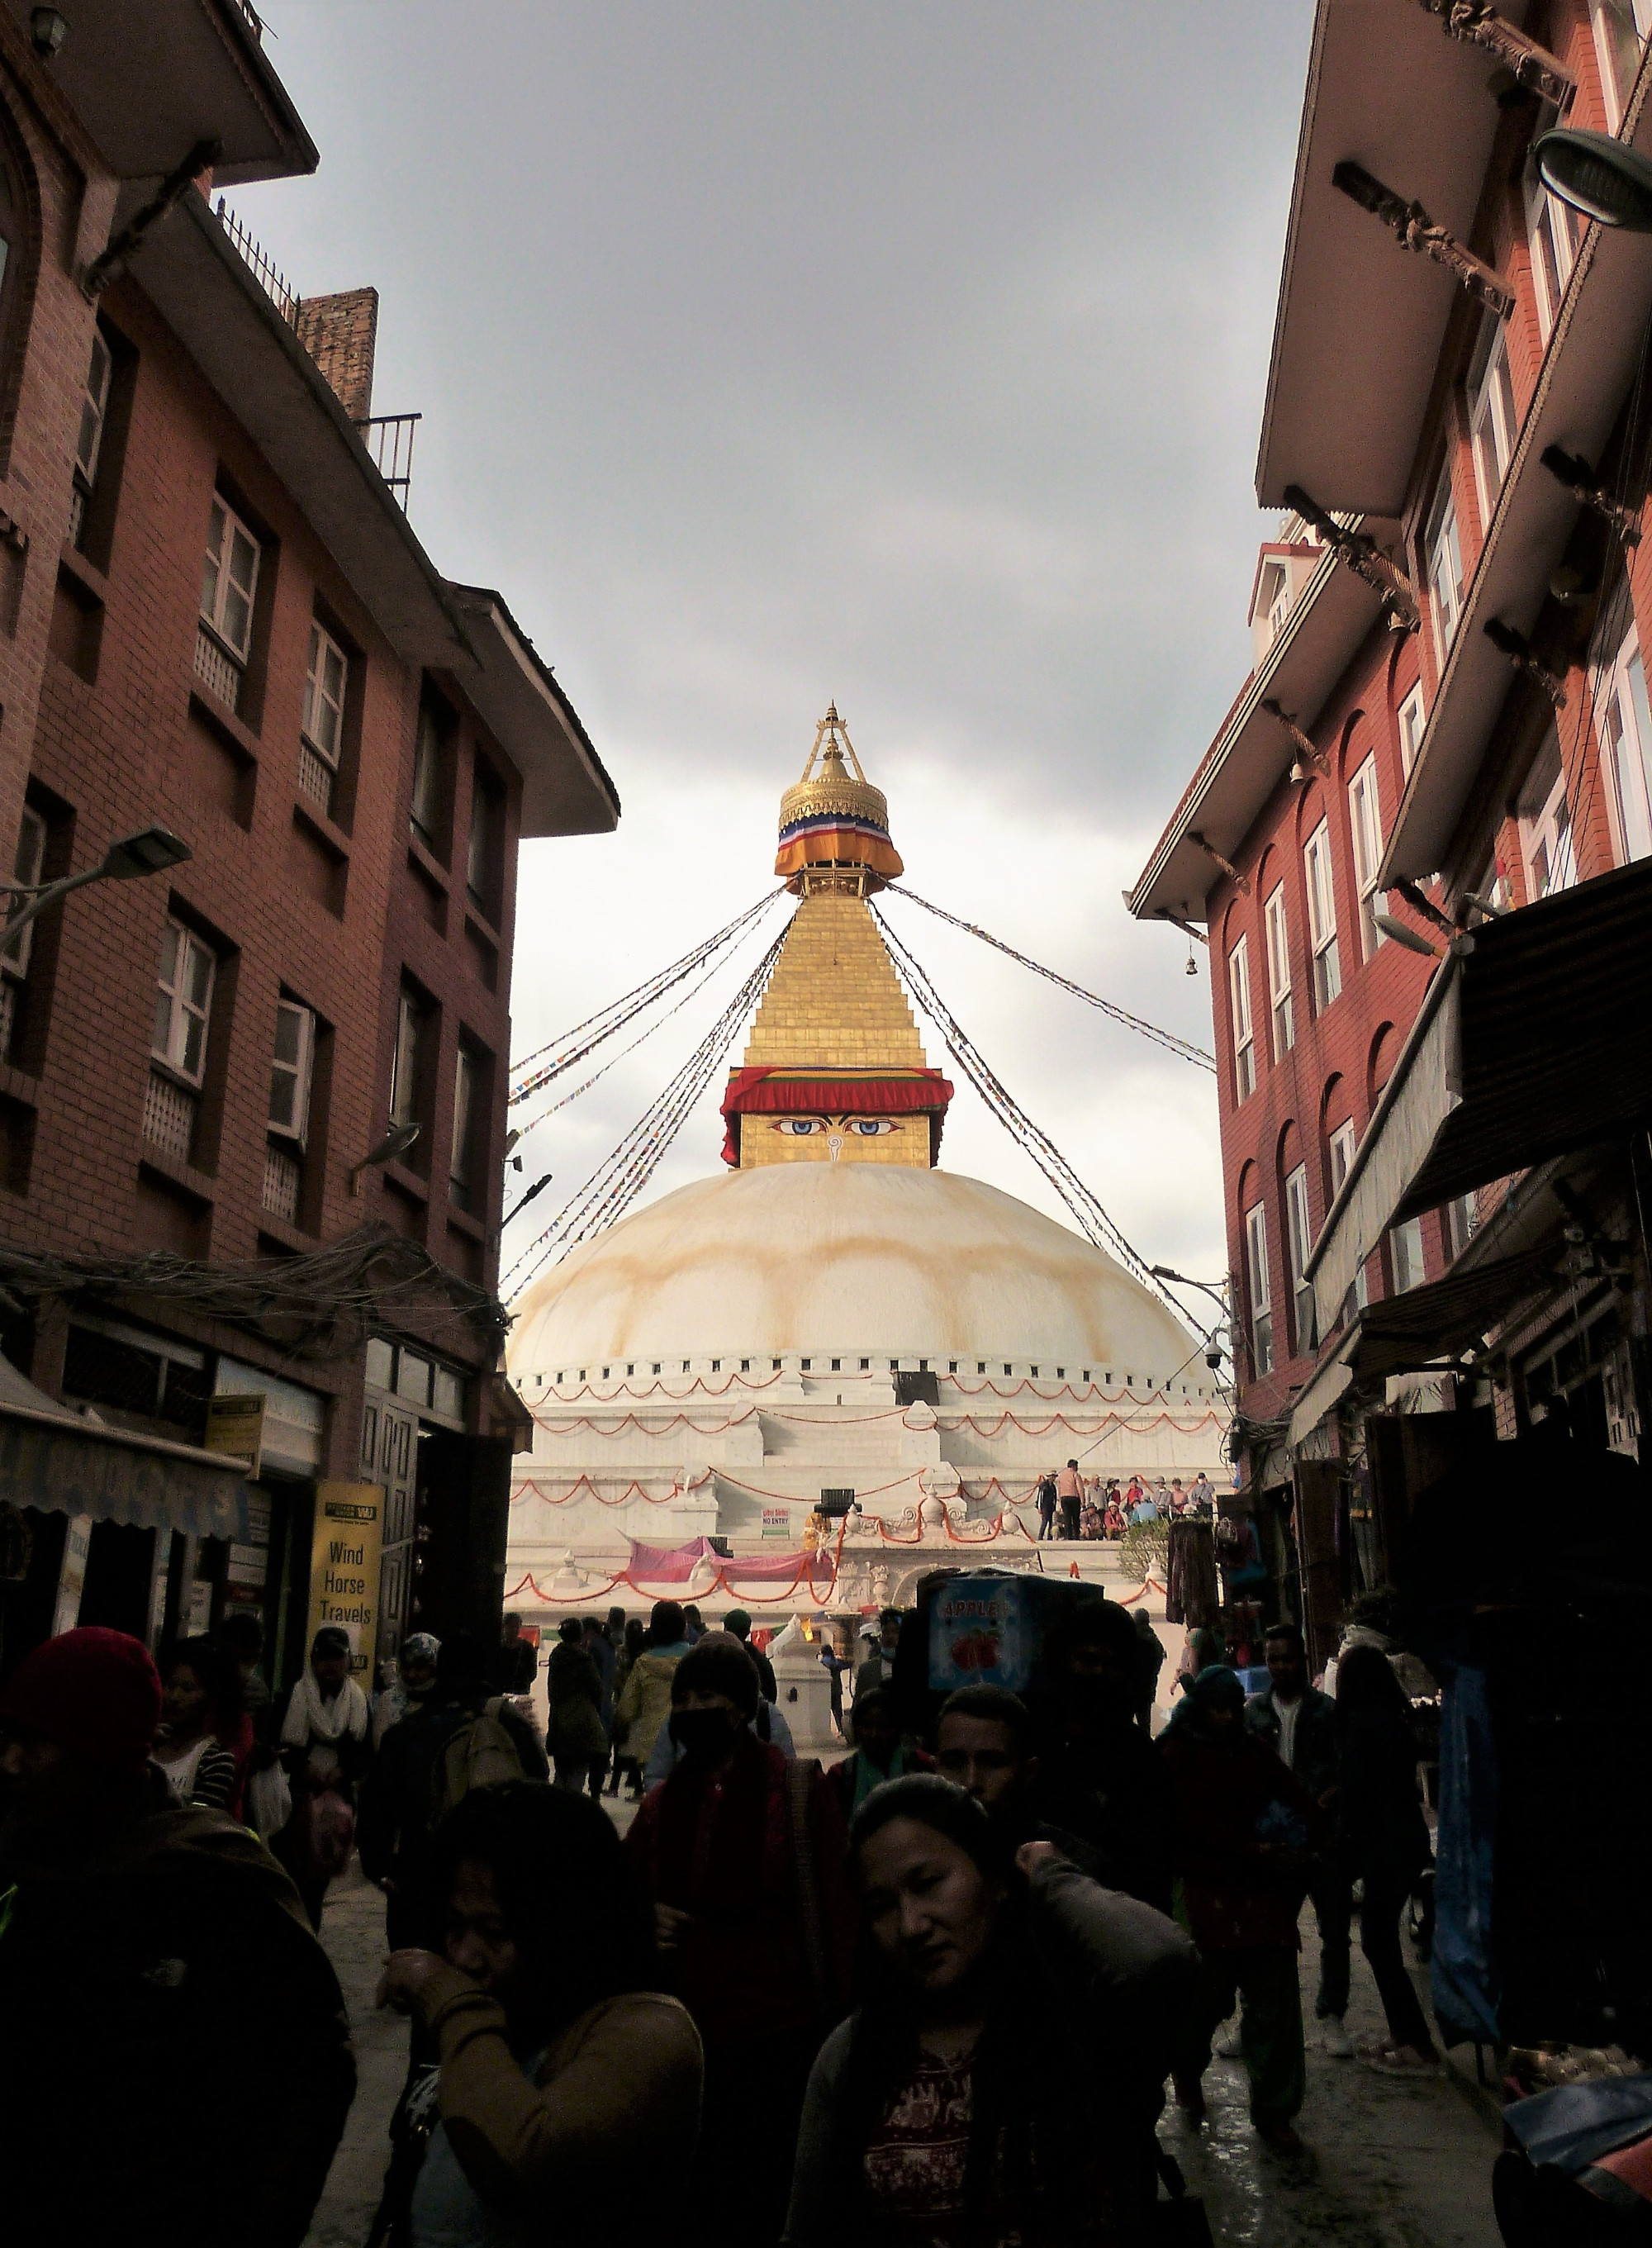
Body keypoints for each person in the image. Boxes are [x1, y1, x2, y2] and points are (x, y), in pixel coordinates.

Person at [0, 1628, 354, 2246]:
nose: (11, 1762)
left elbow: (311, 2073)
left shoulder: (213, 1881)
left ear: (98, 1751)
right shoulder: (26, 1868)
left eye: (36, 1742)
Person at [781, 1776, 1196, 2246]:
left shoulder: (1077, 2020)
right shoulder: (852, 2055)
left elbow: (1160, 1958)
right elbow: (808, 2229)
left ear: (994, 1879)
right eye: (882, 1906)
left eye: (928, 1883)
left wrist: (1051, 1876)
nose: (910, 1925)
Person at [374, 1782, 703, 2241]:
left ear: (570, 1928)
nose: (465, 1958)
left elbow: (525, 2167)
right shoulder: (504, 2011)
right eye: (454, 1927)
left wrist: (453, 2007)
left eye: (495, 1931)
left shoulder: (647, 2031)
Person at [626, 1631, 854, 2248]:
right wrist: (643, 1921)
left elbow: (836, 1906)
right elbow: (619, 1901)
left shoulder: (800, 1791)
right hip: (682, 2035)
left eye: (711, 1695)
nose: (696, 1709)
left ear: (744, 1705)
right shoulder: (662, 1804)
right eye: (686, 1696)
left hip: (782, 2032)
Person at [1161, 1664, 1318, 2153]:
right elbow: (1178, 1830)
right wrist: (1250, 1850)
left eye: (1234, 1708)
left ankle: (1275, 2112)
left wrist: (1311, 1828)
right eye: (1217, 1708)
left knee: (1274, 2007)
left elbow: (1294, 1798)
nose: (1227, 1717)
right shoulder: (1174, 1753)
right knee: (1202, 2005)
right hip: (1202, 1897)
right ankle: (1186, 2071)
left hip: (1260, 1897)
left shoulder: (1252, 1752)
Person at [358, 1633, 548, 1948]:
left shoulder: (406, 1732)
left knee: (418, 1975)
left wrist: (380, 1868)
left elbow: (376, 1806)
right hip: (493, 1875)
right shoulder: (507, 1721)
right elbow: (538, 1787)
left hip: (419, 1873)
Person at [1334, 1643, 1441, 2076]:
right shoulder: (1394, 1721)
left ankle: (1417, 2043)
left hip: (1384, 1844)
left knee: (1379, 1941)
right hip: (1405, 1840)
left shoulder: (1360, 1724)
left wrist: (1347, 1851)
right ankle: (1405, 2034)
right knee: (1381, 1941)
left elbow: (1360, 1796)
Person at [1033, 1595, 1178, 1913]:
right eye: (1087, 1660)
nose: (1098, 1673)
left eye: (1111, 1664)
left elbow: (1152, 1867)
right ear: (1064, 1659)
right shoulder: (1034, 1739)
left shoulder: (1141, 1758)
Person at [1245, 1621, 1350, 2056]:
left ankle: (1333, 2018)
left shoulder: (1327, 1711)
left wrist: (1333, 1795)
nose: (1280, 1666)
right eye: (1273, 1659)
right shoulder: (1254, 1713)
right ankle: (1258, 2019)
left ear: (1303, 1660)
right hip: (1277, 1842)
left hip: (1323, 1841)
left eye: (1287, 1658)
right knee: (1267, 1935)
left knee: (1335, 1933)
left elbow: (1347, 1769)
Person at [277, 1624, 373, 1927]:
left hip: (334, 1806)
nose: (330, 1665)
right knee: (291, 1876)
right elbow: (276, 1744)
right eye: (324, 1658)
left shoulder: (357, 1702)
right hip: (294, 1801)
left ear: (347, 1661)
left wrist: (342, 1771)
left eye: (337, 1657)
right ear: (314, 1660)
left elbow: (366, 1752)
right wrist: (302, 1767)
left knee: (317, 1883)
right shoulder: (293, 1696)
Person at [613, 1599, 692, 1794]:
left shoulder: (643, 1664)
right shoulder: (697, 1659)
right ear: (683, 1628)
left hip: (652, 1749)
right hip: (691, 1744)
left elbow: (627, 1709)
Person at [154, 1637, 242, 1813]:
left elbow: (198, 1825)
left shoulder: (215, 1759)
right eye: (171, 1686)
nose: (175, 1697)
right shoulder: (148, 1743)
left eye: (188, 1689)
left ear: (211, 1697)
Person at [828, 1686, 930, 1819]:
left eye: (882, 1727)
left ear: (896, 1729)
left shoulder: (922, 1767)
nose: (873, 1735)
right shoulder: (840, 1776)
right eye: (866, 1726)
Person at [546, 1616, 610, 1796]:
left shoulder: (556, 1657)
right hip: (582, 1721)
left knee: (561, 1770)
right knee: (578, 1771)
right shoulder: (584, 1660)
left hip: (559, 1720)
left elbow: (552, 1692)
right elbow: (597, 1690)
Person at [375, 1631, 441, 1747]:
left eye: (419, 1668)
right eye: (407, 1667)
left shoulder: (444, 1702)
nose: (411, 1675)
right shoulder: (388, 1700)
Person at [724, 1606, 777, 1701]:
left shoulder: (720, 1659)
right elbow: (771, 1695)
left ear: (726, 1629)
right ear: (748, 1632)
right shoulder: (760, 1661)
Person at [854, 1605, 902, 1702]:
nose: (890, 1637)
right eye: (886, 1632)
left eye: (895, 1632)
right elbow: (858, 1706)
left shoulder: (914, 1668)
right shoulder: (867, 1670)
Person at [1131, 1608, 1166, 1733]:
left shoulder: (1135, 1638)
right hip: (1148, 1686)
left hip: (1133, 1686)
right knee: (1144, 1724)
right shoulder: (1154, 1639)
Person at [492, 1613, 538, 1696]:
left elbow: (532, 1672)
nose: (514, 1630)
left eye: (517, 1627)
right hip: (499, 1691)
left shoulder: (527, 1647)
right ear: (504, 1627)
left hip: (521, 1692)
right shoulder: (496, 1647)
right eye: (511, 1627)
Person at [1056, 1457, 1084, 1542]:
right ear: (1074, 1466)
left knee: (1067, 1517)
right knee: (1075, 1518)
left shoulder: (1061, 1476)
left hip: (1064, 1498)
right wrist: (1082, 1500)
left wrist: (1060, 1500)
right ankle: (1076, 1536)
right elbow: (1080, 1488)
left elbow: (1059, 1488)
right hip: (1074, 1497)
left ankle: (1068, 1536)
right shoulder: (1075, 1474)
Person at [1035, 1469, 1058, 1541]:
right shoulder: (1043, 1485)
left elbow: (1055, 1497)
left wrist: (1054, 1508)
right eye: (1053, 1477)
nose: (1054, 1478)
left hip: (1051, 1506)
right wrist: (1039, 1507)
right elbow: (1040, 1497)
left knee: (1051, 1522)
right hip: (1045, 1506)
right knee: (1045, 1522)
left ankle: (1049, 1537)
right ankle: (1040, 1537)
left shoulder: (1053, 1487)